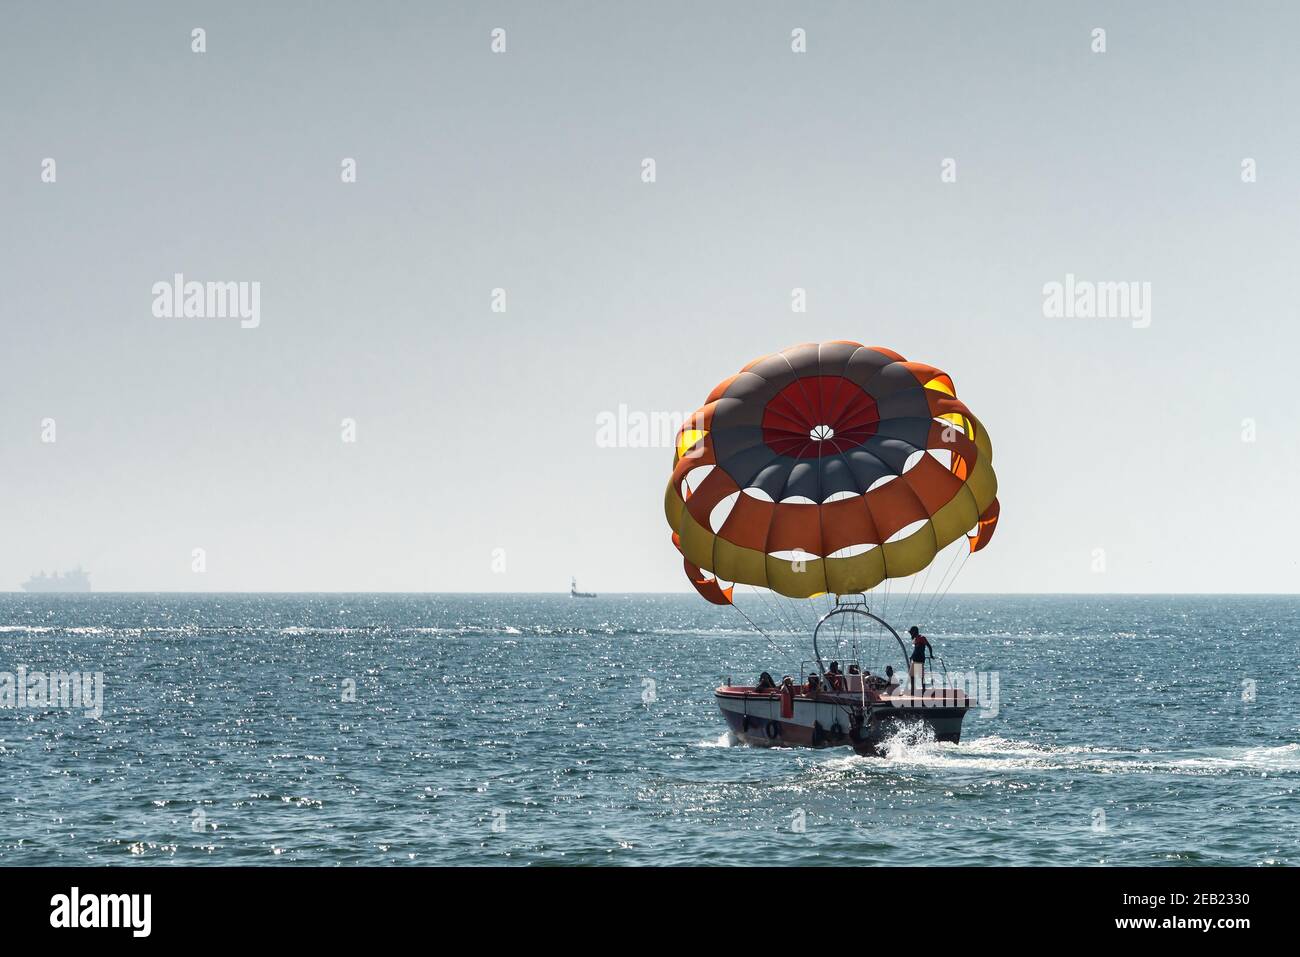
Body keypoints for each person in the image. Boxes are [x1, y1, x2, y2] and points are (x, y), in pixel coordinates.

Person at [908, 625, 932, 693]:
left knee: (919, 676)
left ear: (914, 632)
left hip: (919, 659)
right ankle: (914, 691)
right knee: (913, 676)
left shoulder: (921, 638)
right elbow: (918, 649)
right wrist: (912, 656)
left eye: (911, 632)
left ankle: (922, 690)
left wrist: (931, 655)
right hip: (916, 659)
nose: (910, 634)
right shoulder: (916, 638)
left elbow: (918, 649)